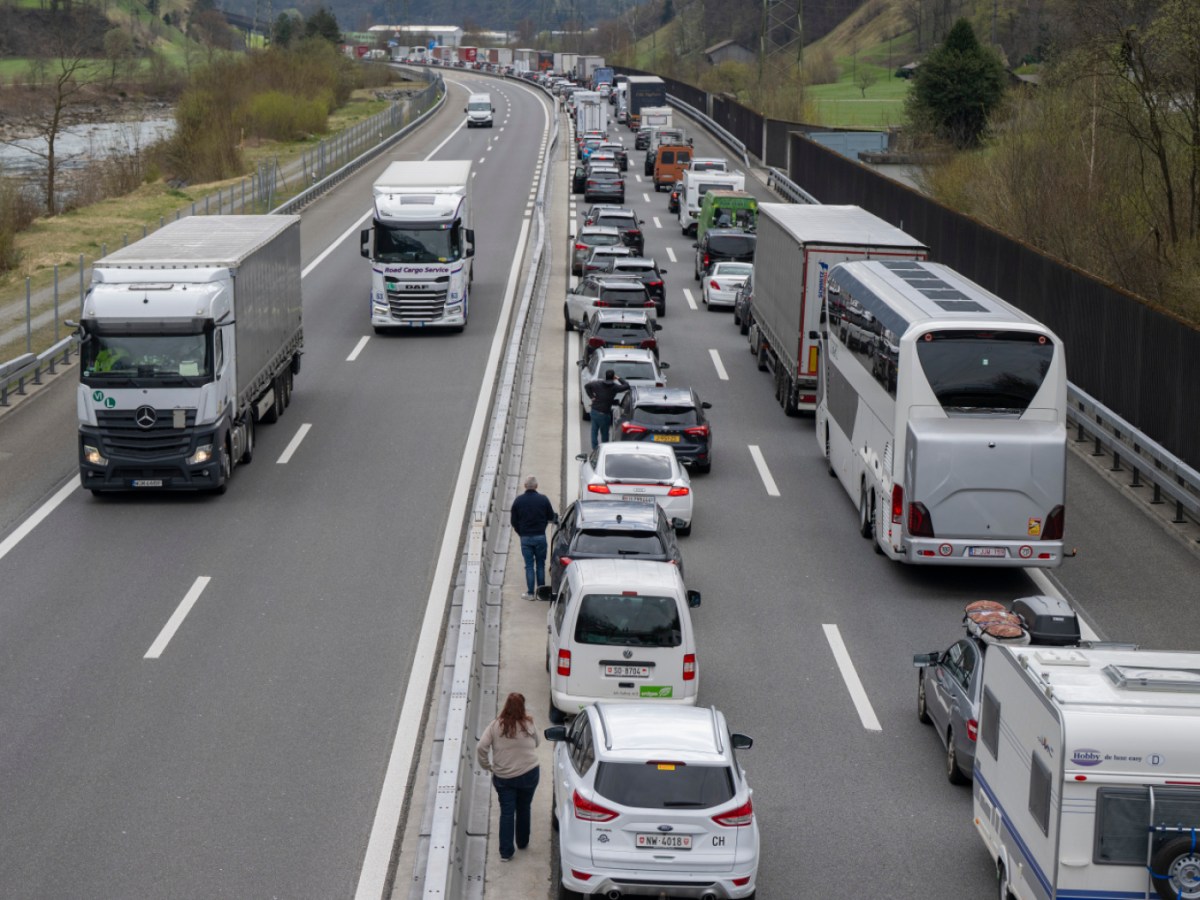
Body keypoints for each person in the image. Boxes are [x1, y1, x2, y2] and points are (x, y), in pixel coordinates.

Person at [477, 692, 540, 863]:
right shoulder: (528, 723)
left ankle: (506, 852)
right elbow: (537, 743)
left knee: (507, 812)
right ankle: (522, 842)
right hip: (529, 773)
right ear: (522, 707)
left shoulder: (495, 726)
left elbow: (481, 747)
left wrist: (487, 765)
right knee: (524, 807)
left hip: (504, 776)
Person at [510, 476, 558, 600]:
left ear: (525, 486)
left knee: (529, 565)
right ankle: (541, 593)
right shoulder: (543, 499)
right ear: (536, 486)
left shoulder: (518, 501)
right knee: (541, 564)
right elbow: (551, 516)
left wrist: (521, 533)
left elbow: (514, 521)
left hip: (525, 538)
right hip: (540, 537)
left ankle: (530, 594)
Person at [584, 368, 630, 450]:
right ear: (613, 377)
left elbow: (587, 386)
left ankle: (594, 449)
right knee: (605, 434)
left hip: (595, 411)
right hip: (605, 414)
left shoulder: (597, 383)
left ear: (605, 376)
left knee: (594, 432)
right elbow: (627, 385)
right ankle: (603, 450)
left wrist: (592, 397)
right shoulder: (615, 387)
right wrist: (618, 378)